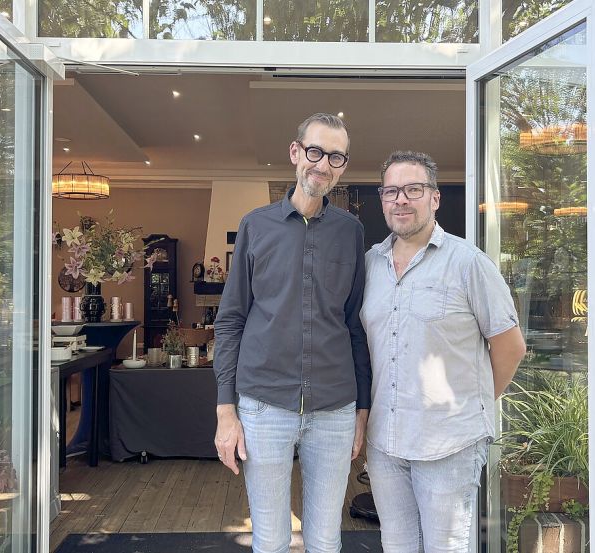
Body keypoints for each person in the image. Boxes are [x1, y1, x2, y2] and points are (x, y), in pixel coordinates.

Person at [213, 113, 372, 553]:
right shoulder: (255, 226)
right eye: (315, 152)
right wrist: (227, 412)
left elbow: (356, 325)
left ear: (342, 166)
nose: (323, 165)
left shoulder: (351, 233)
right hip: (264, 406)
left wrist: (363, 408)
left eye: (335, 157)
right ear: (295, 152)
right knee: (270, 539)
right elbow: (230, 320)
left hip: (335, 409)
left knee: (325, 539)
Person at [360, 151, 527, 552]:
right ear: (382, 200)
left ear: (434, 198)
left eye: (413, 189)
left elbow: (510, 346)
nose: (401, 199)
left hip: (448, 445)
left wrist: (470, 404)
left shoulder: (468, 263)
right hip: (385, 443)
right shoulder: (368, 265)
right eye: (391, 191)